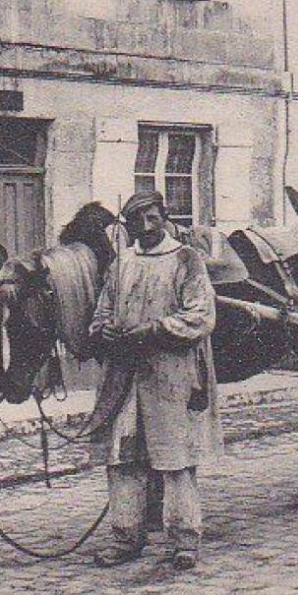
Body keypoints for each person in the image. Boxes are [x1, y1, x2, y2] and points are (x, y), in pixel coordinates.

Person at [88, 189, 222, 572]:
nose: (146, 227)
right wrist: (104, 332)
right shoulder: (121, 265)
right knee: (122, 458)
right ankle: (125, 537)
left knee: (175, 458)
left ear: (164, 217)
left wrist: (154, 330)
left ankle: (183, 540)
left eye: (152, 218)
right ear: (127, 226)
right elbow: (103, 311)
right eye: (137, 221)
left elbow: (201, 316)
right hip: (125, 375)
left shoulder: (186, 260)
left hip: (172, 374)